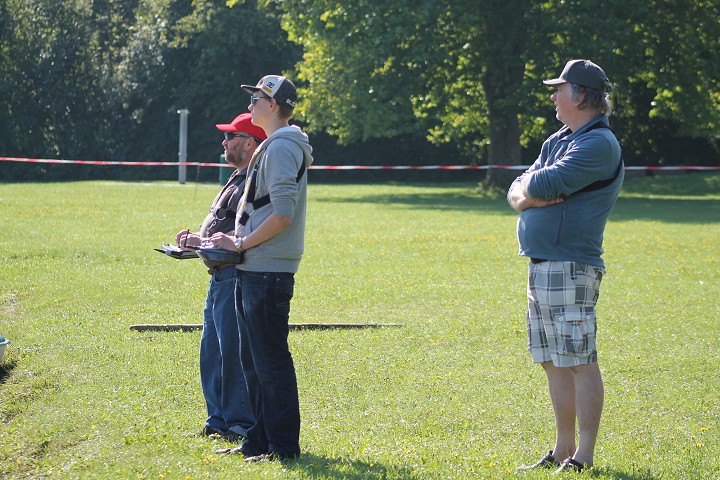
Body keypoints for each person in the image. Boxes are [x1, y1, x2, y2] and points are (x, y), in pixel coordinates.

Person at [507, 59, 623, 474]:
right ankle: (562, 450)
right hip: (543, 264)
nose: (553, 96)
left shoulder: (597, 144)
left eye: (560, 89)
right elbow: (517, 188)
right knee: (552, 361)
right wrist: (528, 193)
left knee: (579, 359)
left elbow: (535, 184)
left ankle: (584, 456)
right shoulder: (560, 139)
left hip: (572, 265)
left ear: (581, 95)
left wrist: (529, 191)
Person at [209, 75, 313, 462]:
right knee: (253, 360)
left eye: (257, 97)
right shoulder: (272, 146)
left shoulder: (283, 148)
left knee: (270, 362)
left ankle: (283, 448)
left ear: (273, 105)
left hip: (268, 269)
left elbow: (283, 215)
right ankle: (258, 441)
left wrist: (238, 243)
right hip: (254, 267)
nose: (251, 102)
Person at [175, 113, 267, 443]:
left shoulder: (255, 181)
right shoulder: (235, 178)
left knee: (231, 353)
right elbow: (219, 225)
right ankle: (217, 421)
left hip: (234, 277)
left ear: (249, 142)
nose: (224, 142)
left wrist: (206, 242)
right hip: (218, 277)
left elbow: (246, 230)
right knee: (211, 353)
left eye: (231, 136)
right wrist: (194, 241)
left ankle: (239, 424)